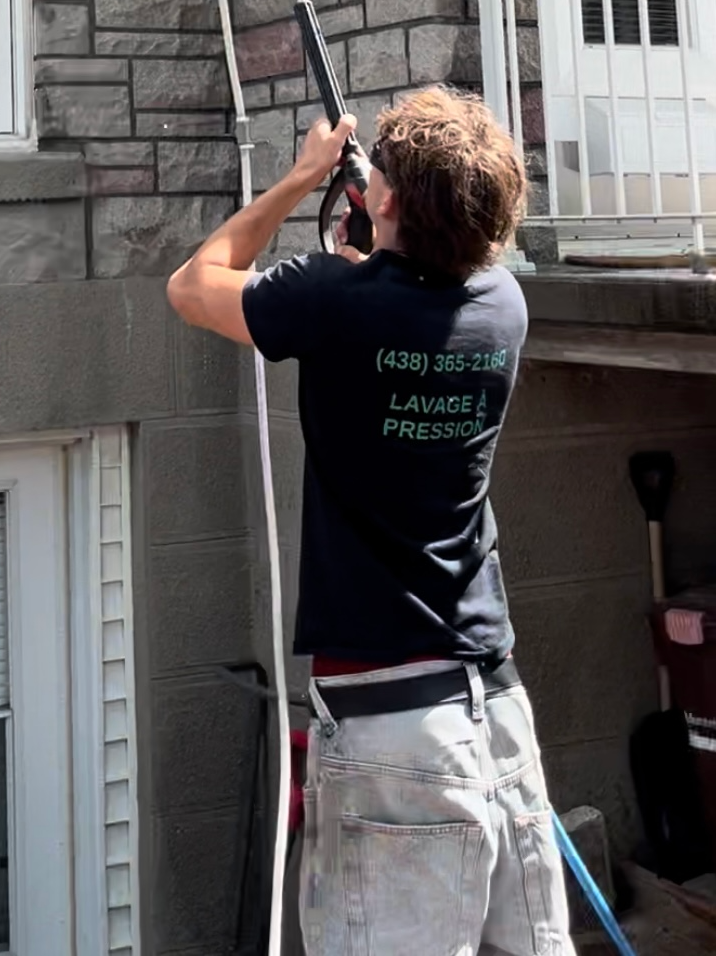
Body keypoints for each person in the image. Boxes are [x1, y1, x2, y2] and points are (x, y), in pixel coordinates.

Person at [167, 86, 574, 956]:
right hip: (495, 708)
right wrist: (377, 233)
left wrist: (303, 175)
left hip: (394, 726)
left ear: (383, 199)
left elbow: (194, 285)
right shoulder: (505, 305)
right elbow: (414, 286)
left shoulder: (334, 303)